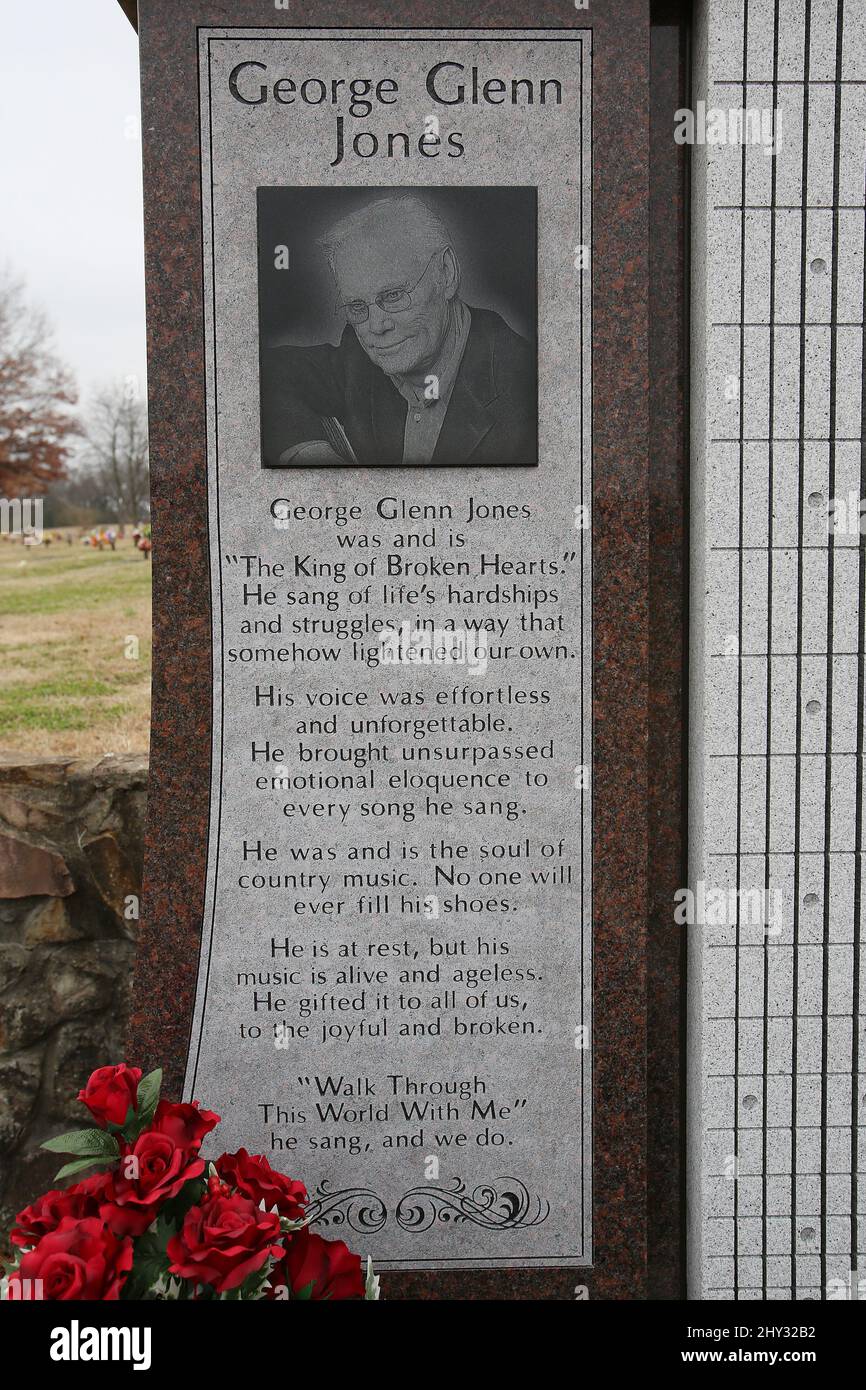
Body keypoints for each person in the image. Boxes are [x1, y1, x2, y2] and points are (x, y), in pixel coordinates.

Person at [261, 195, 536, 468]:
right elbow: (271, 371)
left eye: (393, 295)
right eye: (357, 306)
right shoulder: (357, 358)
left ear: (446, 273)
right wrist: (311, 455)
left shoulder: (526, 389)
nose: (376, 326)